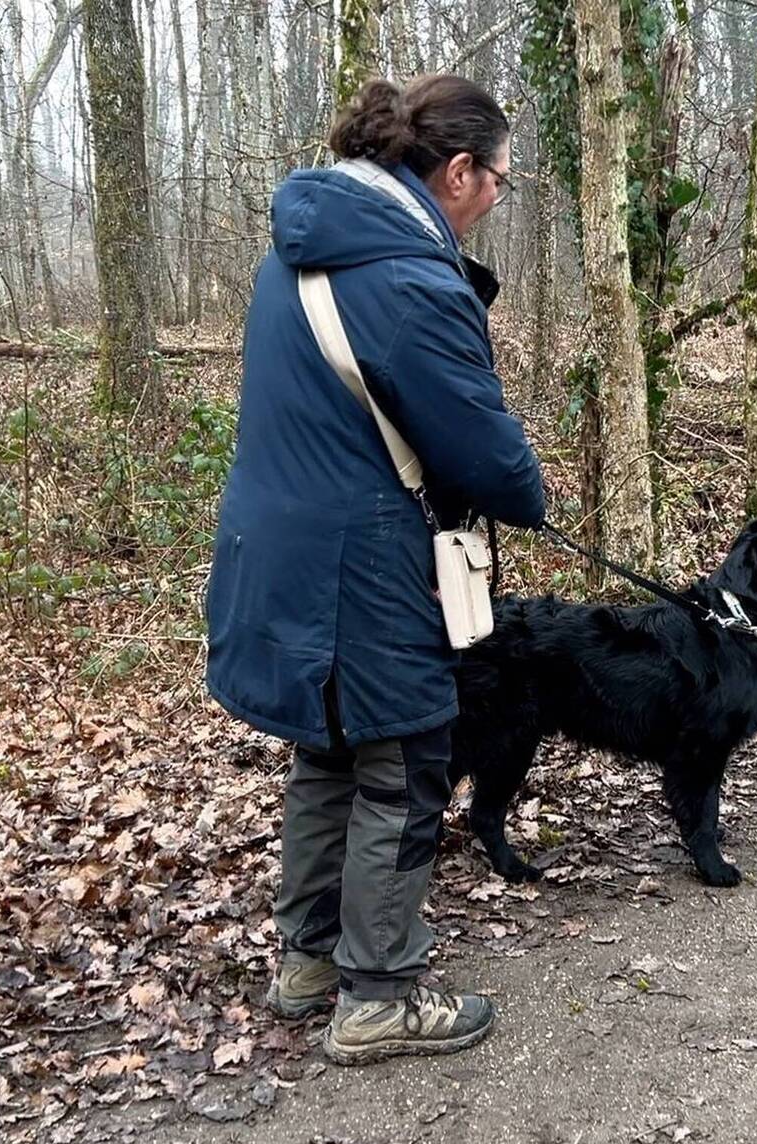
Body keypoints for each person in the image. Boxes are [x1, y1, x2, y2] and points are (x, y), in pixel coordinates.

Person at [203, 74, 545, 1066]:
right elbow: (489, 459)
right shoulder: (408, 282)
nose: (495, 198)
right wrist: (527, 491)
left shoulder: (300, 253)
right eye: (499, 181)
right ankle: (379, 993)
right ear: (456, 170)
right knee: (401, 764)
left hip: (277, 547)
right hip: (362, 566)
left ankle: (309, 962)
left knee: (327, 754)